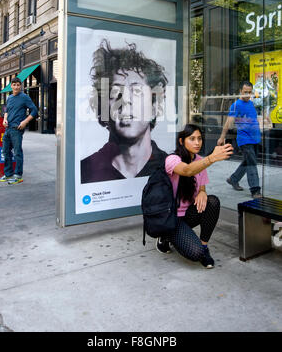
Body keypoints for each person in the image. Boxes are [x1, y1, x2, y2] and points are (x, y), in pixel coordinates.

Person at [81, 40, 168, 183]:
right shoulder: (86, 171)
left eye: (137, 90)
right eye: (116, 92)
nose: (126, 99)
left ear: (154, 107)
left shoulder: (169, 167)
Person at [157, 124, 233, 269]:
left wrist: (202, 192)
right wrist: (211, 158)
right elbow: (186, 170)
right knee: (194, 253)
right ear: (181, 141)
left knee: (212, 202)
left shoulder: (199, 161)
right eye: (192, 139)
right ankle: (165, 235)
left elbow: (201, 185)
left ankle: (204, 247)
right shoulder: (172, 159)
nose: (197, 142)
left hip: (189, 215)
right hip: (172, 218)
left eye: (199, 138)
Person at [217, 80, 261, 198]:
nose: (247, 95)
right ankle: (255, 190)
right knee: (251, 163)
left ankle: (233, 179)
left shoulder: (251, 103)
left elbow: (253, 119)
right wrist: (222, 137)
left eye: (249, 92)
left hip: (255, 138)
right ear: (240, 91)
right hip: (244, 139)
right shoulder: (236, 105)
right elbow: (228, 122)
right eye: (245, 92)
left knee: (248, 161)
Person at [0, 77, 38, 184]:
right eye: (14, 85)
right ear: (11, 86)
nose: (16, 87)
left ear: (20, 86)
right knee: (5, 151)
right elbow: (7, 111)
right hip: (8, 128)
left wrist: (25, 122)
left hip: (17, 129)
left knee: (17, 153)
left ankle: (18, 175)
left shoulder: (24, 97)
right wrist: (5, 120)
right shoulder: (9, 98)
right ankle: (8, 174)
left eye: (18, 85)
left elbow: (34, 110)